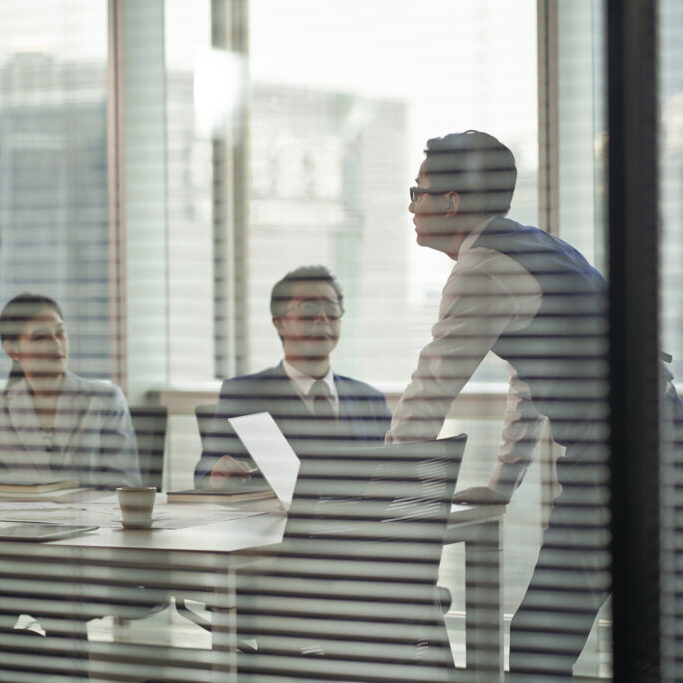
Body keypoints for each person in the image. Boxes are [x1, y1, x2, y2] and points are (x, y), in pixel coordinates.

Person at [385, 130, 683, 680]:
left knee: (539, 643)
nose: (410, 206)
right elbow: (530, 375)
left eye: (417, 191)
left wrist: (378, 487)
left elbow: (431, 386)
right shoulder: (536, 245)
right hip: (655, 441)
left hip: (627, 458)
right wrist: (502, 482)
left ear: (451, 202)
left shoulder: (482, 268)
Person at [194, 265, 391, 487]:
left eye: (331, 308)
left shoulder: (371, 400)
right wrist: (217, 476)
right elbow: (204, 474)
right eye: (309, 307)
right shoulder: (243, 394)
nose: (322, 318)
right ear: (279, 323)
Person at [0, 293, 141, 489]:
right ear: (12, 350)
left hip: (88, 516)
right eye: (41, 337)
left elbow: (125, 484)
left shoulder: (105, 399)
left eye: (60, 333)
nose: (56, 344)